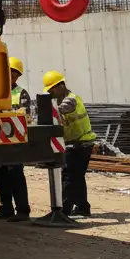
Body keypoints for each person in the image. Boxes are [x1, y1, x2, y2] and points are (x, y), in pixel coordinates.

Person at [44, 70, 97, 217]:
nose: (50, 93)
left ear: (60, 86)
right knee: (77, 177)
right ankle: (83, 207)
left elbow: (63, 109)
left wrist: (49, 111)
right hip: (79, 143)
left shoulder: (70, 100)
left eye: (51, 89)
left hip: (80, 143)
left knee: (68, 176)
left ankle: (63, 210)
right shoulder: (61, 100)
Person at [0, 57, 31, 221]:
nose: (12, 77)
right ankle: (6, 208)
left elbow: (25, 117)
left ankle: (22, 210)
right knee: (0, 176)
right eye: (10, 73)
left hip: (14, 142)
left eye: (15, 74)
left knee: (16, 176)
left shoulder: (21, 94)